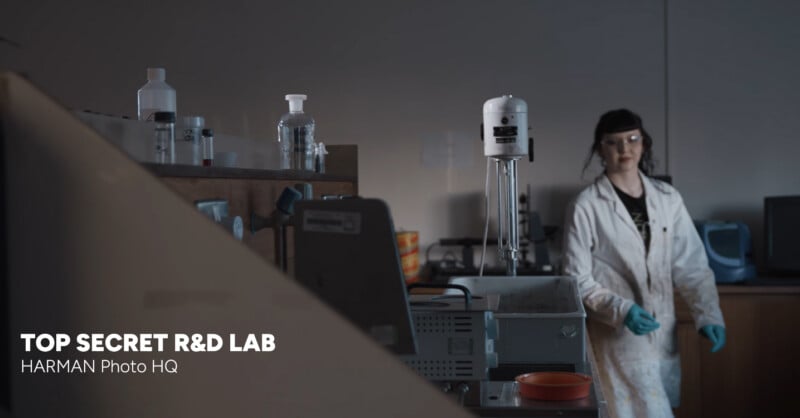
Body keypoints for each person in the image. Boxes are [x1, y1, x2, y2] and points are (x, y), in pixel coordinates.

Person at [562, 109, 726, 418]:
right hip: (616, 334)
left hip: (662, 330)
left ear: (644, 144)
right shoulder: (586, 206)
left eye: (632, 139)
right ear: (600, 149)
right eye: (613, 142)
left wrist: (708, 315)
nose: (624, 150)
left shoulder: (667, 199)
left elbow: (691, 266)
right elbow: (576, 279)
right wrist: (622, 310)